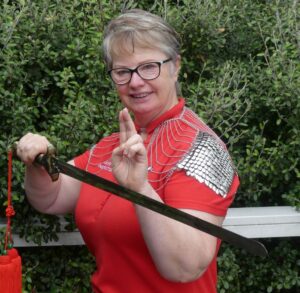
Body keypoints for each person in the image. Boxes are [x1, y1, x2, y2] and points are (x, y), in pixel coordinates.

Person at [16, 9, 239, 293]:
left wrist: (140, 189)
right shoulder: (113, 145)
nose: (135, 82)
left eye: (149, 67)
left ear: (176, 66)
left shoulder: (202, 149)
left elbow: (184, 267)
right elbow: (51, 199)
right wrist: (38, 162)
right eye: (123, 71)